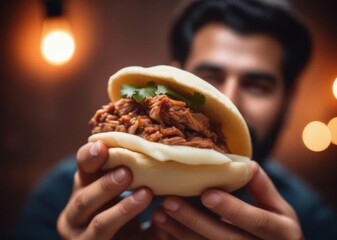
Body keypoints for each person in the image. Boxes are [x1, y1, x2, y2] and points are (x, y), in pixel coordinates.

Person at [14, 0, 337, 239]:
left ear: (289, 98)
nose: (230, 100)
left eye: (257, 85)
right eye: (209, 77)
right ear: (175, 77)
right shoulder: (63, 197)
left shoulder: (313, 220)